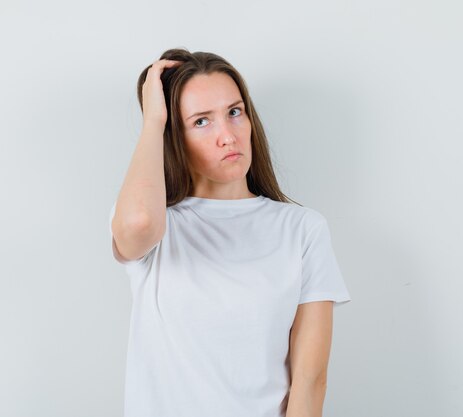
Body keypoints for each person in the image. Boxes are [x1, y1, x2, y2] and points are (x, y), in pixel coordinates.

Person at [109, 48, 351, 417]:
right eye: (201, 121)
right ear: (175, 135)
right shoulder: (158, 222)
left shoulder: (302, 229)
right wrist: (154, 121)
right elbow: (139, 223)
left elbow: (310, 379)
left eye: (234, 112)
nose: (228, 135)